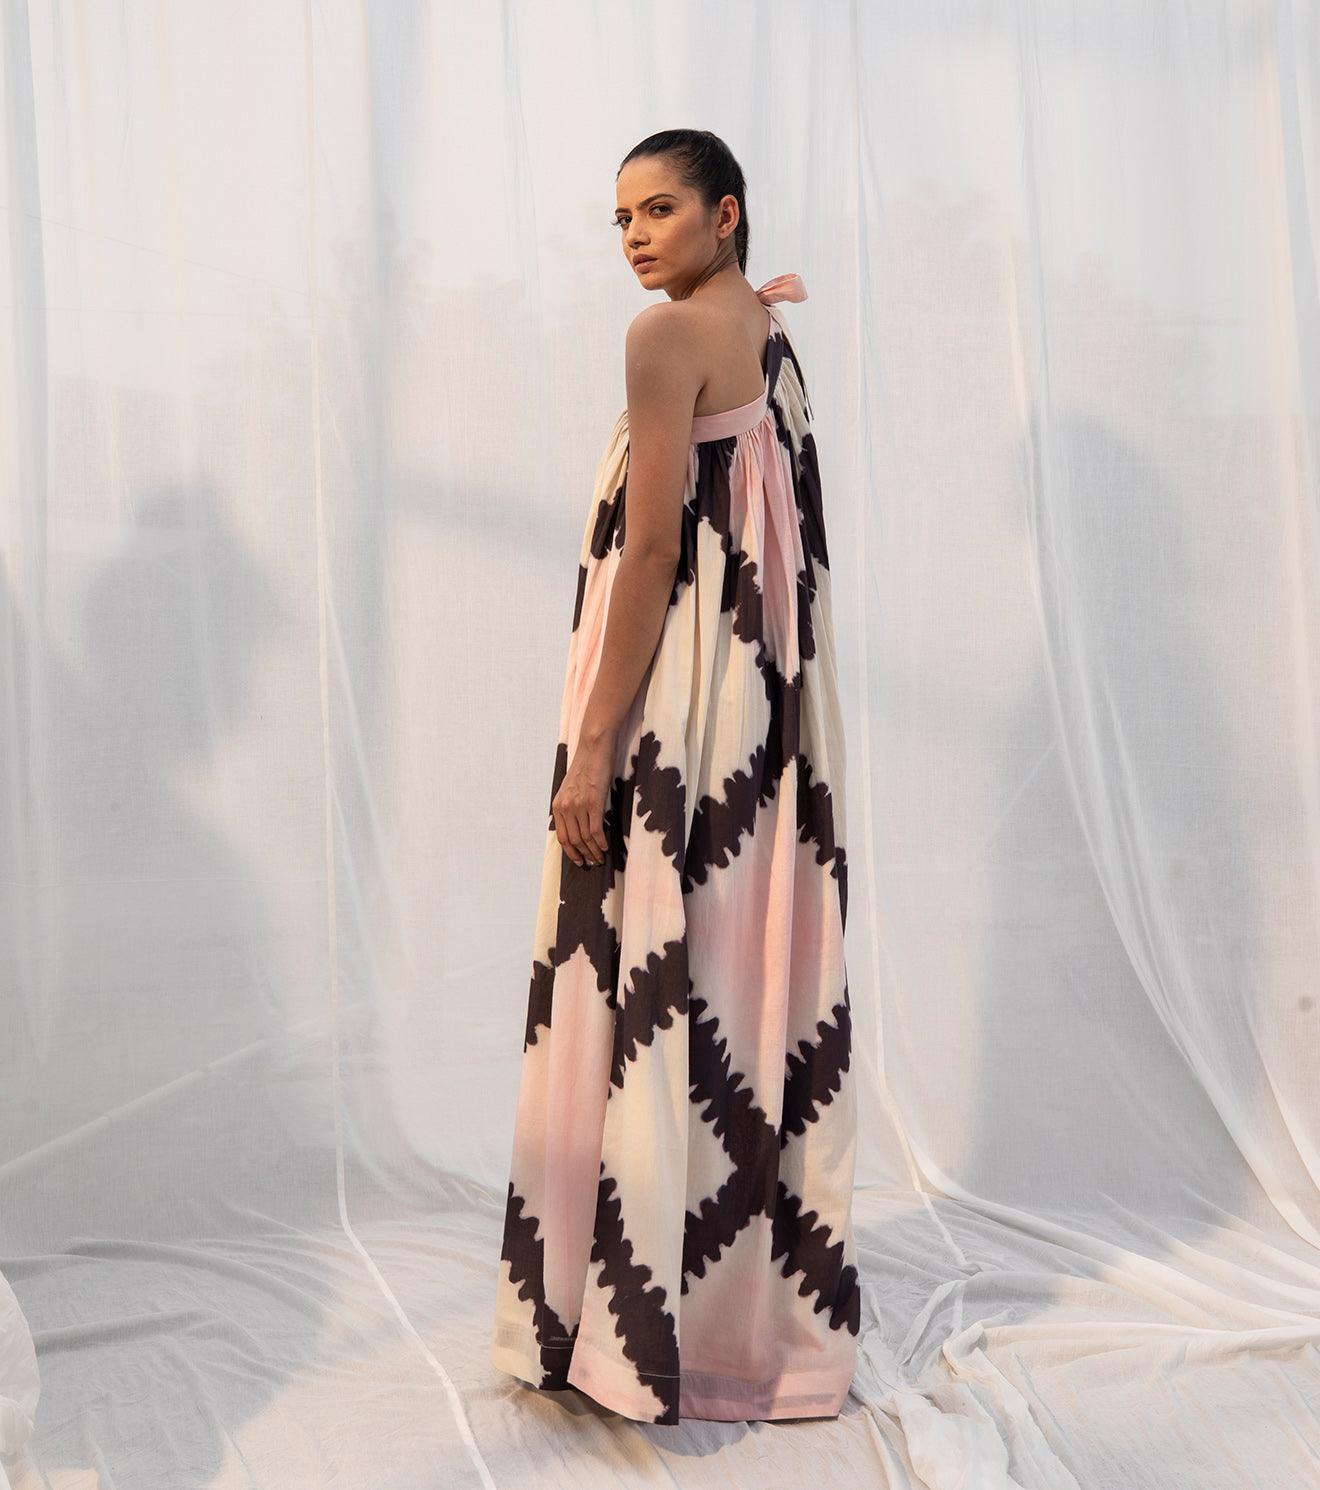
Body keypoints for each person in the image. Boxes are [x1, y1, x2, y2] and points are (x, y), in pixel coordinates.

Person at [489, 128, 859, 1425]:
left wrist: (595, 744)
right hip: (753, 714)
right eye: (622, 218)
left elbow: (652, 553)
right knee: (731, 987)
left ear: (727, 212)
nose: (636, 236)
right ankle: (736, 1327)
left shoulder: (664, 339)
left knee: (635, 968)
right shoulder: (762, 327)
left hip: (671, 711)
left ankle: (615, 1326)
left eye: (658, 209)